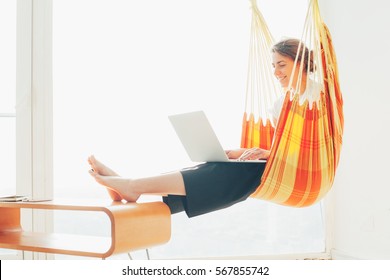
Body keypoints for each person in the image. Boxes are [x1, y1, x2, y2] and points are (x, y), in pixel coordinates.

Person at [88, 38, 318, 218]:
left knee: (237, 173)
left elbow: (312, 150)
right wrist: (245, 152)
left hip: (304, 173)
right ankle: (132, 185)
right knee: (219, 166)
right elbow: (280, 148)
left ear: (301, 61)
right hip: (279, 167)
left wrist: (266, 154)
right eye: (273, 66)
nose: (276, 72)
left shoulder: (321, 97)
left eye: (282, 65)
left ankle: (132, 185)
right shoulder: (282, 103)